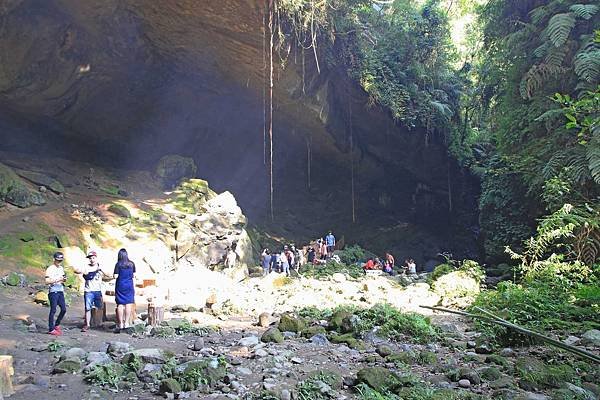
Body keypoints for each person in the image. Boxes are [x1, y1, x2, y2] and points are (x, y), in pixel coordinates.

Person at [79, 251, 108, 332]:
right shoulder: (86, 267)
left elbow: (108, 275)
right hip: (88, 290)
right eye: (90, 258)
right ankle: (87, 324)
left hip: (98, 290)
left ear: (96, 258)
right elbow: (79, 271)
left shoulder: (100, 267)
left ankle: (99, 323)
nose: (92, 260)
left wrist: (101, 270)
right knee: (87, 308)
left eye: (93, 258)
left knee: (100, 307)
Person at [114, 248, 136, 332]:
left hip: (120, 285)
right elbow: (134, 275)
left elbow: (115, 276)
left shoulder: (118, 264)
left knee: (120, 304)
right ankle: (126, 323)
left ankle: (120, 323)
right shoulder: (132, 264)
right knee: (128, 303)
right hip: (129, 285)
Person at [46, 252, 67, 336]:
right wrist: (58, 279)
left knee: (63, 309)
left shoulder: (61, 268)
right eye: (57, 260)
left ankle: (57, 324)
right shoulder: (50, 269)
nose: (59, 262)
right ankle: (51, 329)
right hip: (53, 291)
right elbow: (47, 281)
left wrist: (64, 279)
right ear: (54, 259)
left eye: (60, 261)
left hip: (60, 290)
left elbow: (62, 279)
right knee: (53, 310)